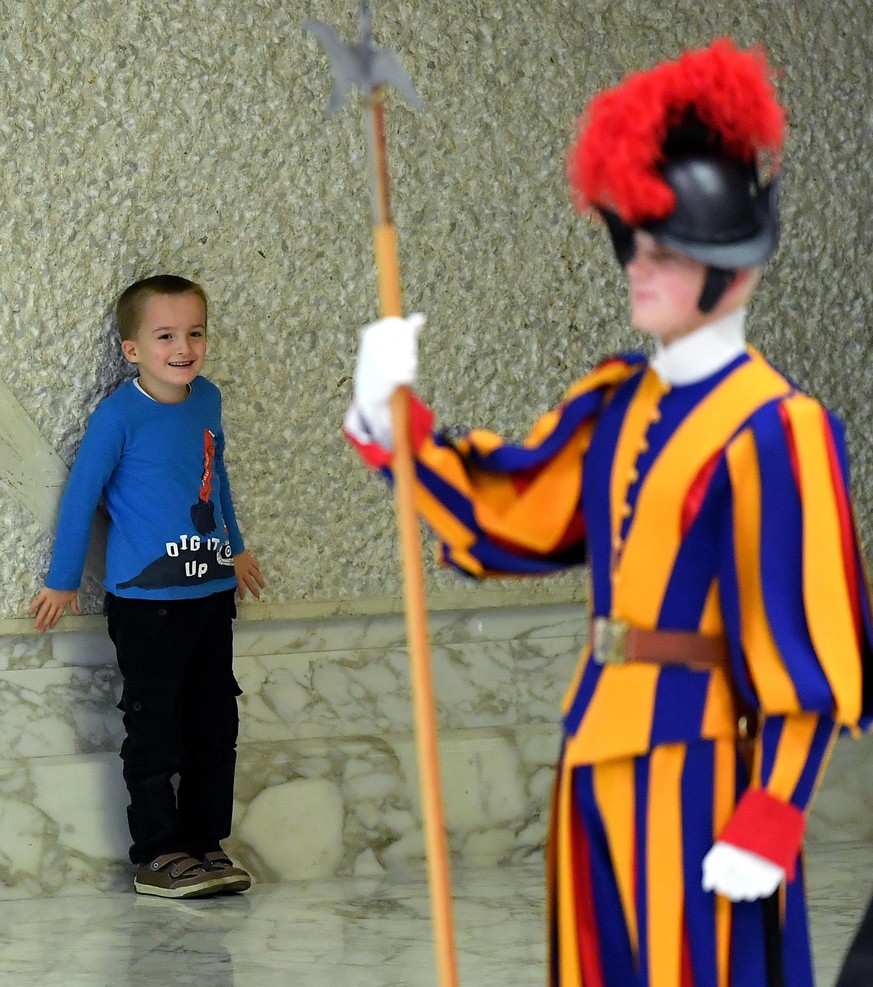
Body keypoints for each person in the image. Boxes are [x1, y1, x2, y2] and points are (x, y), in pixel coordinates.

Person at [343, 39, 873, 986]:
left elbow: (813, 646)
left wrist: (773, 810)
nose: (638, 267)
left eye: (666, 252)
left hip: (704, 760)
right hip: (595, 743)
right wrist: (398, 428)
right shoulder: (617, 399)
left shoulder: (777, 428)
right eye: (633, 242)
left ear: (733, 270)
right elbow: (515, 514)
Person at [29, 274, 266, 899]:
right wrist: (61, 581)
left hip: (211, 596)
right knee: (155, 726)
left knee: (215, 725)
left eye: (194, 333)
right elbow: (82, 496)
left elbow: (216, 479)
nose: (182, 346)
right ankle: (158, 853)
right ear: (133, 349)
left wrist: (234, 548)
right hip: (147, 608)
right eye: (165, 335)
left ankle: (207, 844)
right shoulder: (119, 416)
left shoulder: (208, 399)